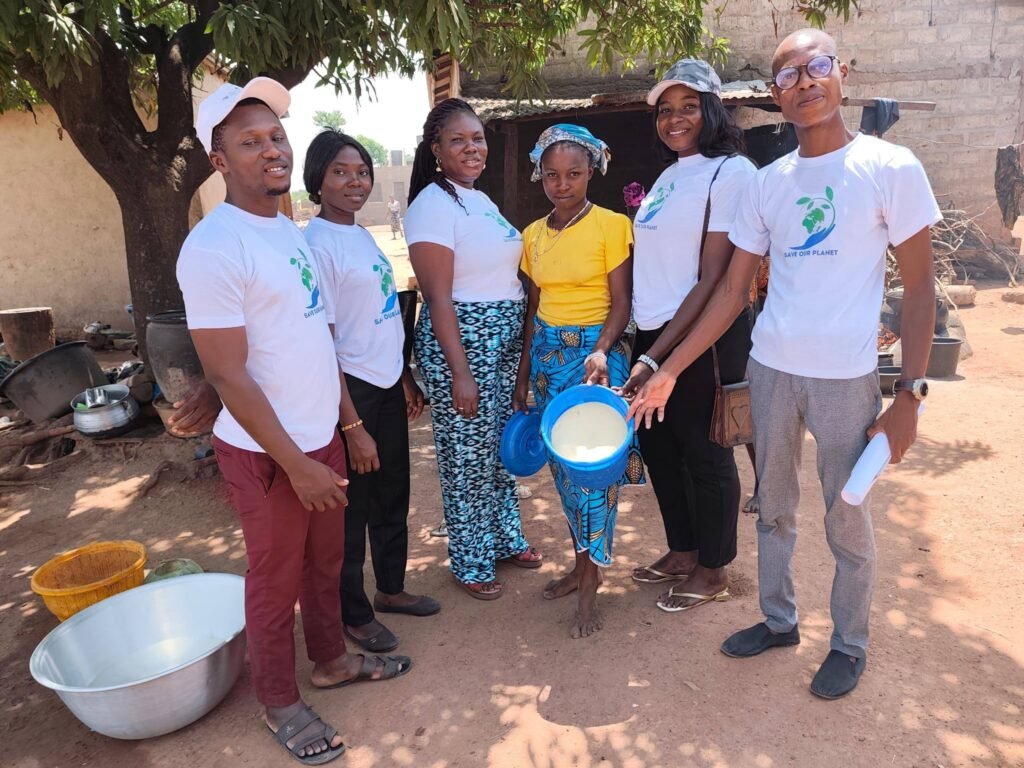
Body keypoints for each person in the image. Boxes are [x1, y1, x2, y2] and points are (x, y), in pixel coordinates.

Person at [627, 30, 940, 699]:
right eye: (788, 75)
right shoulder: (768, 184)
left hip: (845, 377)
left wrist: (910, 396)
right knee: (773, 508)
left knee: (845, 514)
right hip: (771, 368)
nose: (804, 82)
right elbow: (732, 293)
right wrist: (669, 368)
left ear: (842, 72)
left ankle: (849, 643)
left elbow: (920, 290)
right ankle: (778, 620)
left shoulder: (890, 167)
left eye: (816, 66)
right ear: (775, 93)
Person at [178, 78, 411, 764]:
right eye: (249, 142)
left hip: (319, 440)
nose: (272, 150)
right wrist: (295, 464)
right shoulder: (214, 247)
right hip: (267, 454)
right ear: (220, 160)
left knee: (325, 563)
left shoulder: (285, 229)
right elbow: (228, 375)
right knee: (274, 581)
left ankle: (331, 661)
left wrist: (345, 428)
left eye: (276, 136)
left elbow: (314, 339)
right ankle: (279, 701)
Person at [620, 60, 755, 614]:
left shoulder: (732, 173)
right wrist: (642, 344)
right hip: (653, 329)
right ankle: (683, 550)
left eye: (689, 107)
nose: (674, 119)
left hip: (703, 334)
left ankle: (713, 567)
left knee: (704, 451)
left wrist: (656, 358)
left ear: (713, 110)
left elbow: (712, 278)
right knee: (660, 447)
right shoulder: (671, 175)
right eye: (665, 110)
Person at [303, 130, 439, 656]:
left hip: (383, 385)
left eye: (362, 171)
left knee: (392, 492)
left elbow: (377, 318)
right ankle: (353, 614)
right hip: (350, 393)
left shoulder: (358, 235)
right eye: (340, 172)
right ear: (317, 180)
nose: (354, 181)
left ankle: (391, 588)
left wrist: (403, 378)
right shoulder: (316, 246)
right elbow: (324, 344)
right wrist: (352, 426)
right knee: (351, 510)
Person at [404, 98, 542, 601]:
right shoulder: (431, 206)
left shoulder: (478, 200)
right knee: (466, 456)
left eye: (478, 139)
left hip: (501, 339)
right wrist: (460, 372)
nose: (472, 148)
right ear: (436, 149)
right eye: (458, 140)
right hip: (464, 343)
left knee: (500, 448)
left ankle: (504, 539)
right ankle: (470, 559)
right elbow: (438, 296)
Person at [514, 124, 644, 638]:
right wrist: (523, 375)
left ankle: (591, 581)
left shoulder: (612, 225)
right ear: (540, 176)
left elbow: (622, 302)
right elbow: (534, 309)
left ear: (591, 171)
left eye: (573, 173)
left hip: (596, 359)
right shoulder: (532, 236)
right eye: (552, 175)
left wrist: (601, 349)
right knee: (564, 473)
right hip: (549, 359)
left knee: (593, 473)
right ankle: (579, 564)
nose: (562, 184)